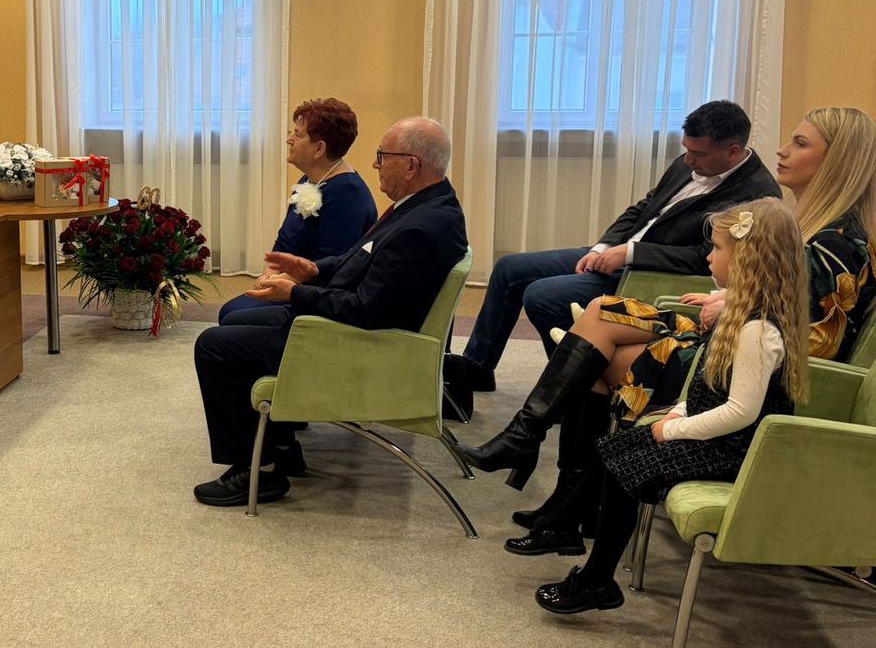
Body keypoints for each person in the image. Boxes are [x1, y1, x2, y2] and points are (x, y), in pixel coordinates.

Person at [458, 107, 876, 537]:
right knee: (600, 312)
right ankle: (549, 469)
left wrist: (731, 305)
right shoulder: (808, 221)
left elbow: (805, 338)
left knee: (598, 357)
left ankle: (555, 480)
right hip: (723, 333)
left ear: (838, 160)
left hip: (740, 361)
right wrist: (728, 298)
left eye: (800, 143)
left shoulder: (838, 242)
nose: (782, 150)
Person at [526, 199, 810, 613]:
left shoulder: (758, 330)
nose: (709, 257)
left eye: (717, 249)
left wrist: (673, 429)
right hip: (719, 437)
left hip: (738, 451)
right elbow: (707, 384)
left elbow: (741, 412)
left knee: (625, 467)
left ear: (746, 260)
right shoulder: (739, 313)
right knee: (613, 450)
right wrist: (679, 411)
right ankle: (569, 533)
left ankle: (595, 579)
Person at [191, 117, 468, 506]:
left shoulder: (418, 228)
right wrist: (309, 272)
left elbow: (366, 310)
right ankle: (280, 445)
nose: (374, 163)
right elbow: (359, 258)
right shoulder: (426, 206)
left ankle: (260, 470)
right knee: (240, 318)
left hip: (360, 347)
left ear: (410, 165)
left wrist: (296, 293)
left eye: (382, 155)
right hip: (356, 330)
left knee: (214, 346)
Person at [453, 100, 780, 393]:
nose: (688, 159)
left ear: (733, 151)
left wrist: (630, 253)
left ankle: (576, 388)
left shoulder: (757, 196)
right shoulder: (691, 161)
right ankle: (476, 371)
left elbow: (703, 258)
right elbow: (645, 207)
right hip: (621, 253)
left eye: (698, 154)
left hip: (650, 274)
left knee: (542, 296)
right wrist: (603, 247)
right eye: (687, 150)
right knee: (509, 268)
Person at [219, 98, 377, 322]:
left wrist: (280, 283)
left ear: (319, 148)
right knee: (230, 312)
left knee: (234, 316)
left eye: (298, 134)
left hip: (317, 295)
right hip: (292, 282)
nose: (289, 139)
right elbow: (286, 240)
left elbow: (331, 264)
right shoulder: (310, 180)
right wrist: (269, 274)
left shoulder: (348, 195)